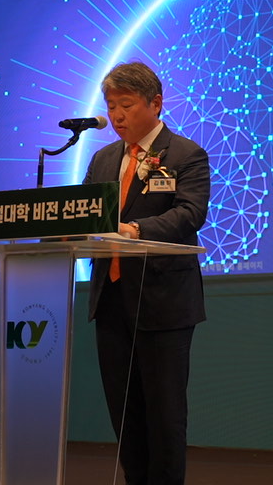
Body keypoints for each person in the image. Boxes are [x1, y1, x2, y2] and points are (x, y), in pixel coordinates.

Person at [84, 61, 209, 485]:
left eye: (126, 104)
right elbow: (85, 215)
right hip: (111, 300)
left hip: (163, 301)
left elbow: (190, 213)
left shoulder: (186, 154)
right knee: (125, 414)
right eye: (111, 106)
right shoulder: (103, 159)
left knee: (164, 413)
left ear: (155, 103)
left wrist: (135, 230)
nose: (116, 115)